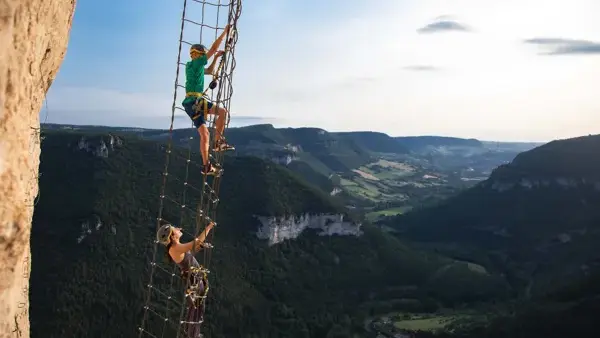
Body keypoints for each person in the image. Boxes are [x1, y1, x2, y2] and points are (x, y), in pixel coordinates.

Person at [182, 24, 235, 176]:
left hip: (192, 102)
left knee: (205, 134)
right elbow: (212, 49)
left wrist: (217, 58)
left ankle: (207, 166)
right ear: (198, 54)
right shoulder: (196, 62)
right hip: (195, 102)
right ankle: (218, 142)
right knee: (222, 112)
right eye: (203, 54)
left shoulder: (193, 66)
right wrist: (225, 32)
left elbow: (210, 71)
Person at [156, 222, 216, 338]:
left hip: (194, 278)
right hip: (194, 280)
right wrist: (208, 228)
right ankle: (192, 334)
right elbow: (196, 242)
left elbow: (190, 252)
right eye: (175, 229)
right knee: (196, 307)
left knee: (196, 306)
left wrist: (199, 246)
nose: (178, 229)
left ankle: (192, 334)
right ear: (172, 237)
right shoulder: (175, 248)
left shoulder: (175, 247)